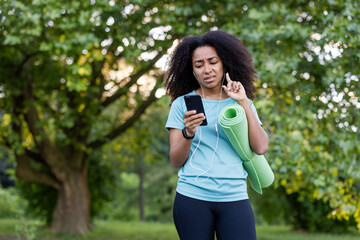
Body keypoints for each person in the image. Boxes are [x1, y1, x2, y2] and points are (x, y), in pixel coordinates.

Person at [164, 30, 269, 240]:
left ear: (225, 64)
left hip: (234, 197)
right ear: (191, 70)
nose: (207, 70)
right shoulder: (181, 105)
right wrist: (188, 133)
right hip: (192, 196)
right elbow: (176, 160)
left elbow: (261, 147)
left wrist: (244, 102)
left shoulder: (241, 103)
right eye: (199, 65)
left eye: (213, 62)